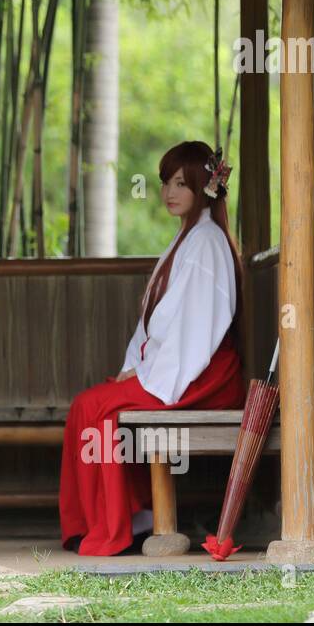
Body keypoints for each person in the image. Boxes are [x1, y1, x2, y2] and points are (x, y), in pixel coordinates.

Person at [58, 140, 244, 556]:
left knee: (99, 410)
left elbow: (195, 329)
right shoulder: (186, 241)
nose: (169, 192)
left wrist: (153, 379)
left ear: (204, 188)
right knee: (88, 405)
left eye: (182, 183)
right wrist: (133, 369)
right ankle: (121, 519)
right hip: (176, 365)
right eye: (165, 182)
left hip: (201, 373)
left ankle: (116, 525)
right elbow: (153, 325)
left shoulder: (206, 243)